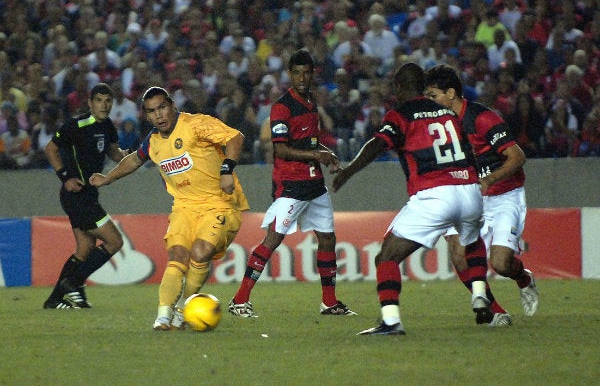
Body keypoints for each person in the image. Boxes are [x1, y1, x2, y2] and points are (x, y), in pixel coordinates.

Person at [332, 62, 489, 335]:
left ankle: (391, 321)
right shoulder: (448, 113)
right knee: (471, 240)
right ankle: (478, 293)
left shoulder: (401, 114)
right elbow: (469, 150)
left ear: (401, 87)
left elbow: (378, 143)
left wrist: (349, 171)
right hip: (469, 188)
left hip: (433, 193)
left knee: (387, 257)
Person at [89, 86, 249, 331]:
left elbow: (235, 137)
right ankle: (164, 315)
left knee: (201, 251)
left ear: (172, 105)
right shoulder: (153, 142)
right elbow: (134, 159)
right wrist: (108, 178)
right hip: (184, 207)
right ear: (147, 115)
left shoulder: (196, 124)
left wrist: (227, 169)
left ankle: (184, 307)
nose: (159, 115)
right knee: (177, 257)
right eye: (152, 111)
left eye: (162, 107)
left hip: (219, 203)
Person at [228, 49, 356, 318]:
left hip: (314, 184)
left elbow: (308, 142)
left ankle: (329, 302)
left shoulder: (311, 103)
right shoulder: (282, 107)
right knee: (272, 239)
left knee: (328, 238)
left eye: (306, 72)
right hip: (291, 185)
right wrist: (315, 154)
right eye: (296, 72)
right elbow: (282, 149)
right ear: (289, 74)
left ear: (312, 74)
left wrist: (326, 153)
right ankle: (239, 300)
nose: (301, 77)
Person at [424, 64, 539, 318]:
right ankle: (495, 311)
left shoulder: (482, 118)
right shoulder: (437, 125)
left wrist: (489, 180)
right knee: (459, 254)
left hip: (505, 195)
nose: (429, 102)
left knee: (500, 264)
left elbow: (517, 157)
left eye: (433, 96)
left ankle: (523, 279)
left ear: (451, 93)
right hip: (468, 198)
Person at [43, 83, 128, 309]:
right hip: (76, 195)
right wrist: (65, 177)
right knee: (115, 241)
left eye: (108, 100)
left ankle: (54, 300)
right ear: (90, 103)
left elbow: (113, 152)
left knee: (84, 248)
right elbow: (50, 149)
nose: (104, 105)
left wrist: (128, 156)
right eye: (99, 100)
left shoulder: (108, 126)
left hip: (88, 196)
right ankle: (71, 283)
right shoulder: (76, 125)